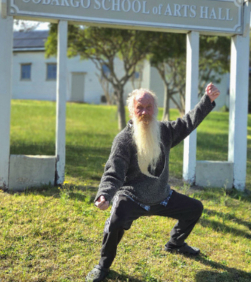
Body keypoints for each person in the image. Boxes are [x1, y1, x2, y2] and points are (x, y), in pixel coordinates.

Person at [86, 83, 220, 282]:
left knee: (194, 208)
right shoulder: (123, 140)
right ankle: (103, 267)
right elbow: (114, 172)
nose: (144, 112)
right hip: (132, 197)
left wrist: (207, 101)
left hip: (161, 197)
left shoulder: (165, 131)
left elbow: (188, 122)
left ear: (155, 109)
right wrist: (105, 194)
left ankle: (175, 243)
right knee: (115, 221)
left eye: (149, 107)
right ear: (132, 111)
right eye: (139, 107)